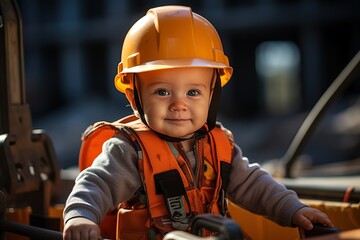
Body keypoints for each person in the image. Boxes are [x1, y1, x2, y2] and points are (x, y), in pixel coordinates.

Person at [63, 5, 334, 240]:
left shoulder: (219, 145)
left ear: (212, 96)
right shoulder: (128, 151)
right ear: (134, 98)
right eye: (162, 92)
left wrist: (293, 209)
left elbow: (253, 184)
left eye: (193, 92)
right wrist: (80, 217)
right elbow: (95, 183)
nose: (179, 104)